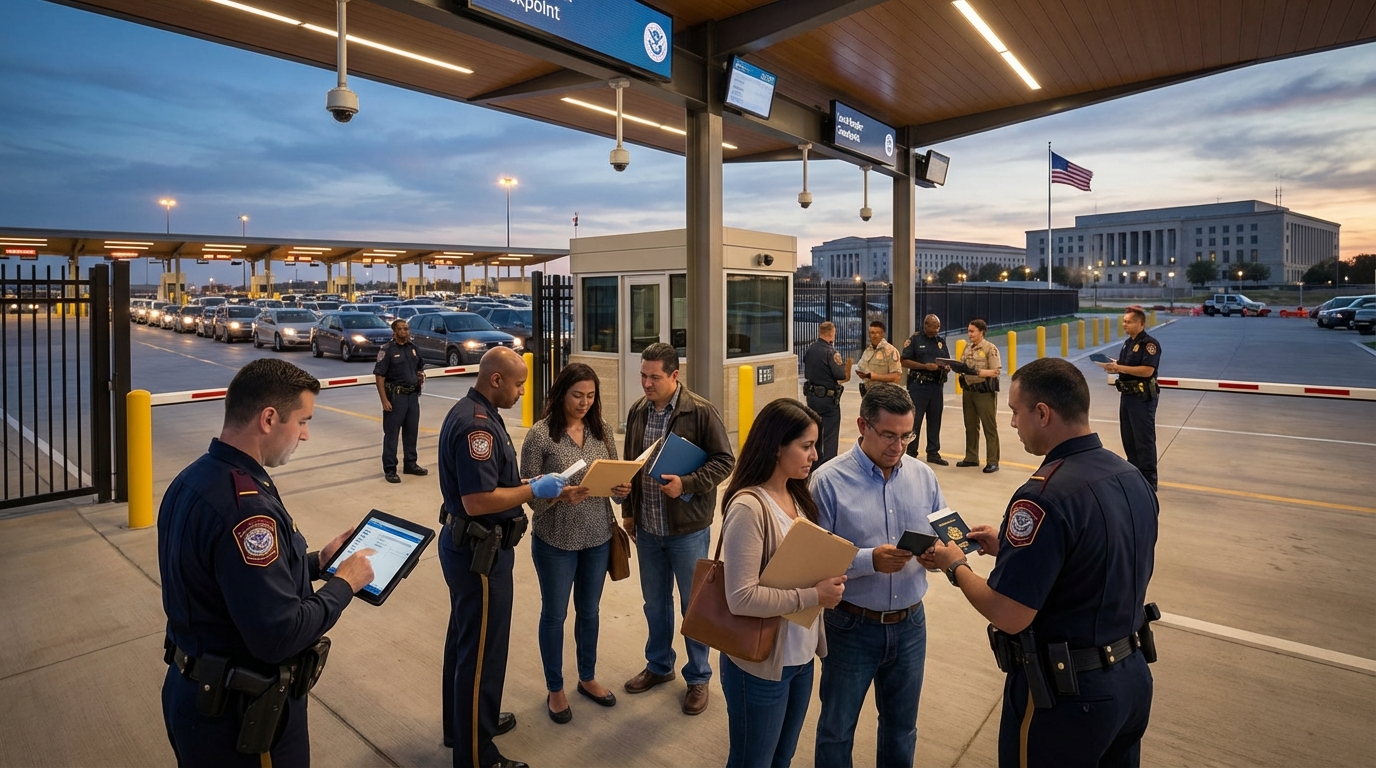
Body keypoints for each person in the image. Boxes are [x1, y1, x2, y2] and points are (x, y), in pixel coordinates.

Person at [929, 358, 1158, 767]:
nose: (1013, 422)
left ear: (1042, 413)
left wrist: (955, 565)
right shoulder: (1129, 476)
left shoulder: (1042, 495)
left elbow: (1009, 614)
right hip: (1132, 679)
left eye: (1016, 411)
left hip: (1071, 696)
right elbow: (1100, 556)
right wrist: (1014, 551)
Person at [159, 358, 377, 767]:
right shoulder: (247, 510)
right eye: (302, 421)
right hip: (240, 718)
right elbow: (278, 636)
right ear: (269, 418)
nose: (306, 435)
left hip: (194, 693)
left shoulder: (195, 478)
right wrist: (343, 584)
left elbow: (227, 580)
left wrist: (317, 563)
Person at [438, 347, 567, 768]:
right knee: (482, 656)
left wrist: (537, 483)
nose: (521, 391)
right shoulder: (479, 428)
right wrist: (534, 490)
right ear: (496, 379)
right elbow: (478, 499)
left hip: (470, 547)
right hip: (481, 553)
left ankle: (464, 727)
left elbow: (495, 481)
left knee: (464, 642)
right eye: (518, 384)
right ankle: (477, 754)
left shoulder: (472, 411)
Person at [810, 382, 947, 768]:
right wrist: (870, 560)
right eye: (888, 435)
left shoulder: (923, 476)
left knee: (902, 728)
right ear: (862, 426)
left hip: (910, 625)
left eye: (907, 435)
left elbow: (950, 531)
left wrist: (942, 555)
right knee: (837, 729)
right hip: (852, 626)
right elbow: (813, 563)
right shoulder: (827, 481)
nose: (898, 445)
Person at [719, 398, 847, 768]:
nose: (815, 455)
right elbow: (741, 598)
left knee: (782, 758)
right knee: (751, 761)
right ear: (777, 446)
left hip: (800, 658)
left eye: (815, 446)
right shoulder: (749, 507)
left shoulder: (798, 496)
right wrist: (814, 595)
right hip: (759, 665)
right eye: (806, 446)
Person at [620, 342, 736, 716]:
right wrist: (628, 509)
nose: (646, 384)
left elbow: (724, 461)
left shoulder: (700, 411)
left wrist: (685, 484)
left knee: (693, 606)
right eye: (643, 375)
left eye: (654, 377)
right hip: (649, 530)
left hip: (687, 530)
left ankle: (699, 677)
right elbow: (631, 464)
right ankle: (659, 665)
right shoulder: (639, 411)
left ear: (675, 375)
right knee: (655, 603)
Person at [519, 364, 632, 724]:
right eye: (577, 395)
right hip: (555, 540)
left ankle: (587, 677)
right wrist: (560, 496)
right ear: (561, 393)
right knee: (554, 614)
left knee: (590, 611)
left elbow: (613, 484)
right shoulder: (540, 437)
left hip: (597, 537)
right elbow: (529, 496)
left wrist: (621, 489)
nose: (584, 402)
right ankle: (555, 687)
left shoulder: (600, 431)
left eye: (590, 396)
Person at [1097, 308, 1162, 491]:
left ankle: (1149, 481)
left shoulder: (1150, 344)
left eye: (1129, 321)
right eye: (1124, 321)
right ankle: (1134, 474)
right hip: (1127, 396)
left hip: (1142, 397)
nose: (1124, 324)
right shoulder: (1127, 343)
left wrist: (1121, 368)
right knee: (1129, 438)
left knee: (1143, 439)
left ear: (1141, 324)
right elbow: (1125, 366)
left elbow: (1147, 371)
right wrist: (1113, 366)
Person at [375, 318, 427, 483]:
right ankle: (390, 469)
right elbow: (380, 376)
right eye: (402, 329)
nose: (405, 332)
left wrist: (419, 376)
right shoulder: (387, 350)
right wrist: (384, 400)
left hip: (412, 397)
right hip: (396, 398)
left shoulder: (413, 349)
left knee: (411, 433)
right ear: (394, 332)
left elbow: (419, 367)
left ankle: (410, 463)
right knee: (392, 435)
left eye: (407, 329)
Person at [900, 314, 950, 465]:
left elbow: (947, 360)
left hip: (936, 386)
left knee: (935, 419)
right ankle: (911, 452)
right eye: (934, 326)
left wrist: (946, 367)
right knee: (915, 420)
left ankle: (933, 452)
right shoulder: (915, 340)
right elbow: (904, 361)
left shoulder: (940, 342)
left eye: (938, 327)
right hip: (919, 385)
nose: (937, 329)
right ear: (925, 325)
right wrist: (924, 366)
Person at [802, 322, 853, 467]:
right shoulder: (830, 352)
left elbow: (807, 372)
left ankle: (814, 465)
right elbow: (840, 374)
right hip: (828, 401)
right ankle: (829, 466)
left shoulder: (810, 349)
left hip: (812, 398)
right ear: (831, 334)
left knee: (814, 432)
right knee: (830, 435)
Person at [957, 318, 1003, 473]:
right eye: (968, 331)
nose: (969, 334)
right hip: (969, 391)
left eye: (972, 331)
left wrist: (978, 372)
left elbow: (996, 371)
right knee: (970, 426)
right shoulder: (967, 348)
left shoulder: (990, 348)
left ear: (981, 332)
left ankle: (992, 461)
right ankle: (971, 457)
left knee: (989, 427)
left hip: (983, 392)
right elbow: (962, 364)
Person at [856, 320, 903, 397]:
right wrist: (862, 374)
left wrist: (874, 376)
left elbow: (896, 376)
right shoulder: (868, 350)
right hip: (868, 393)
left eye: (877, 333)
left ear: (883, 334)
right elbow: (861, 367)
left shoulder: (890, 351)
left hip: (885, 394)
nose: (874, 336)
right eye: (872, 333)